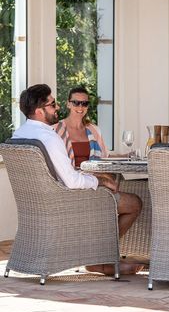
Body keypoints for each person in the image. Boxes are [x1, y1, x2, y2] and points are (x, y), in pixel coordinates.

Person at [13, 84, 143, 275]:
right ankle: (99, 260)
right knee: (134, 203)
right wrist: (100, 181)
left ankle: (98, 258)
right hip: (67, 201)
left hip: (38, 203)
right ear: (40, 111)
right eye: (52, 104)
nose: (57, 107)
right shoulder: (50, 137)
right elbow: (72, 182)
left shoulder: (18, 135)